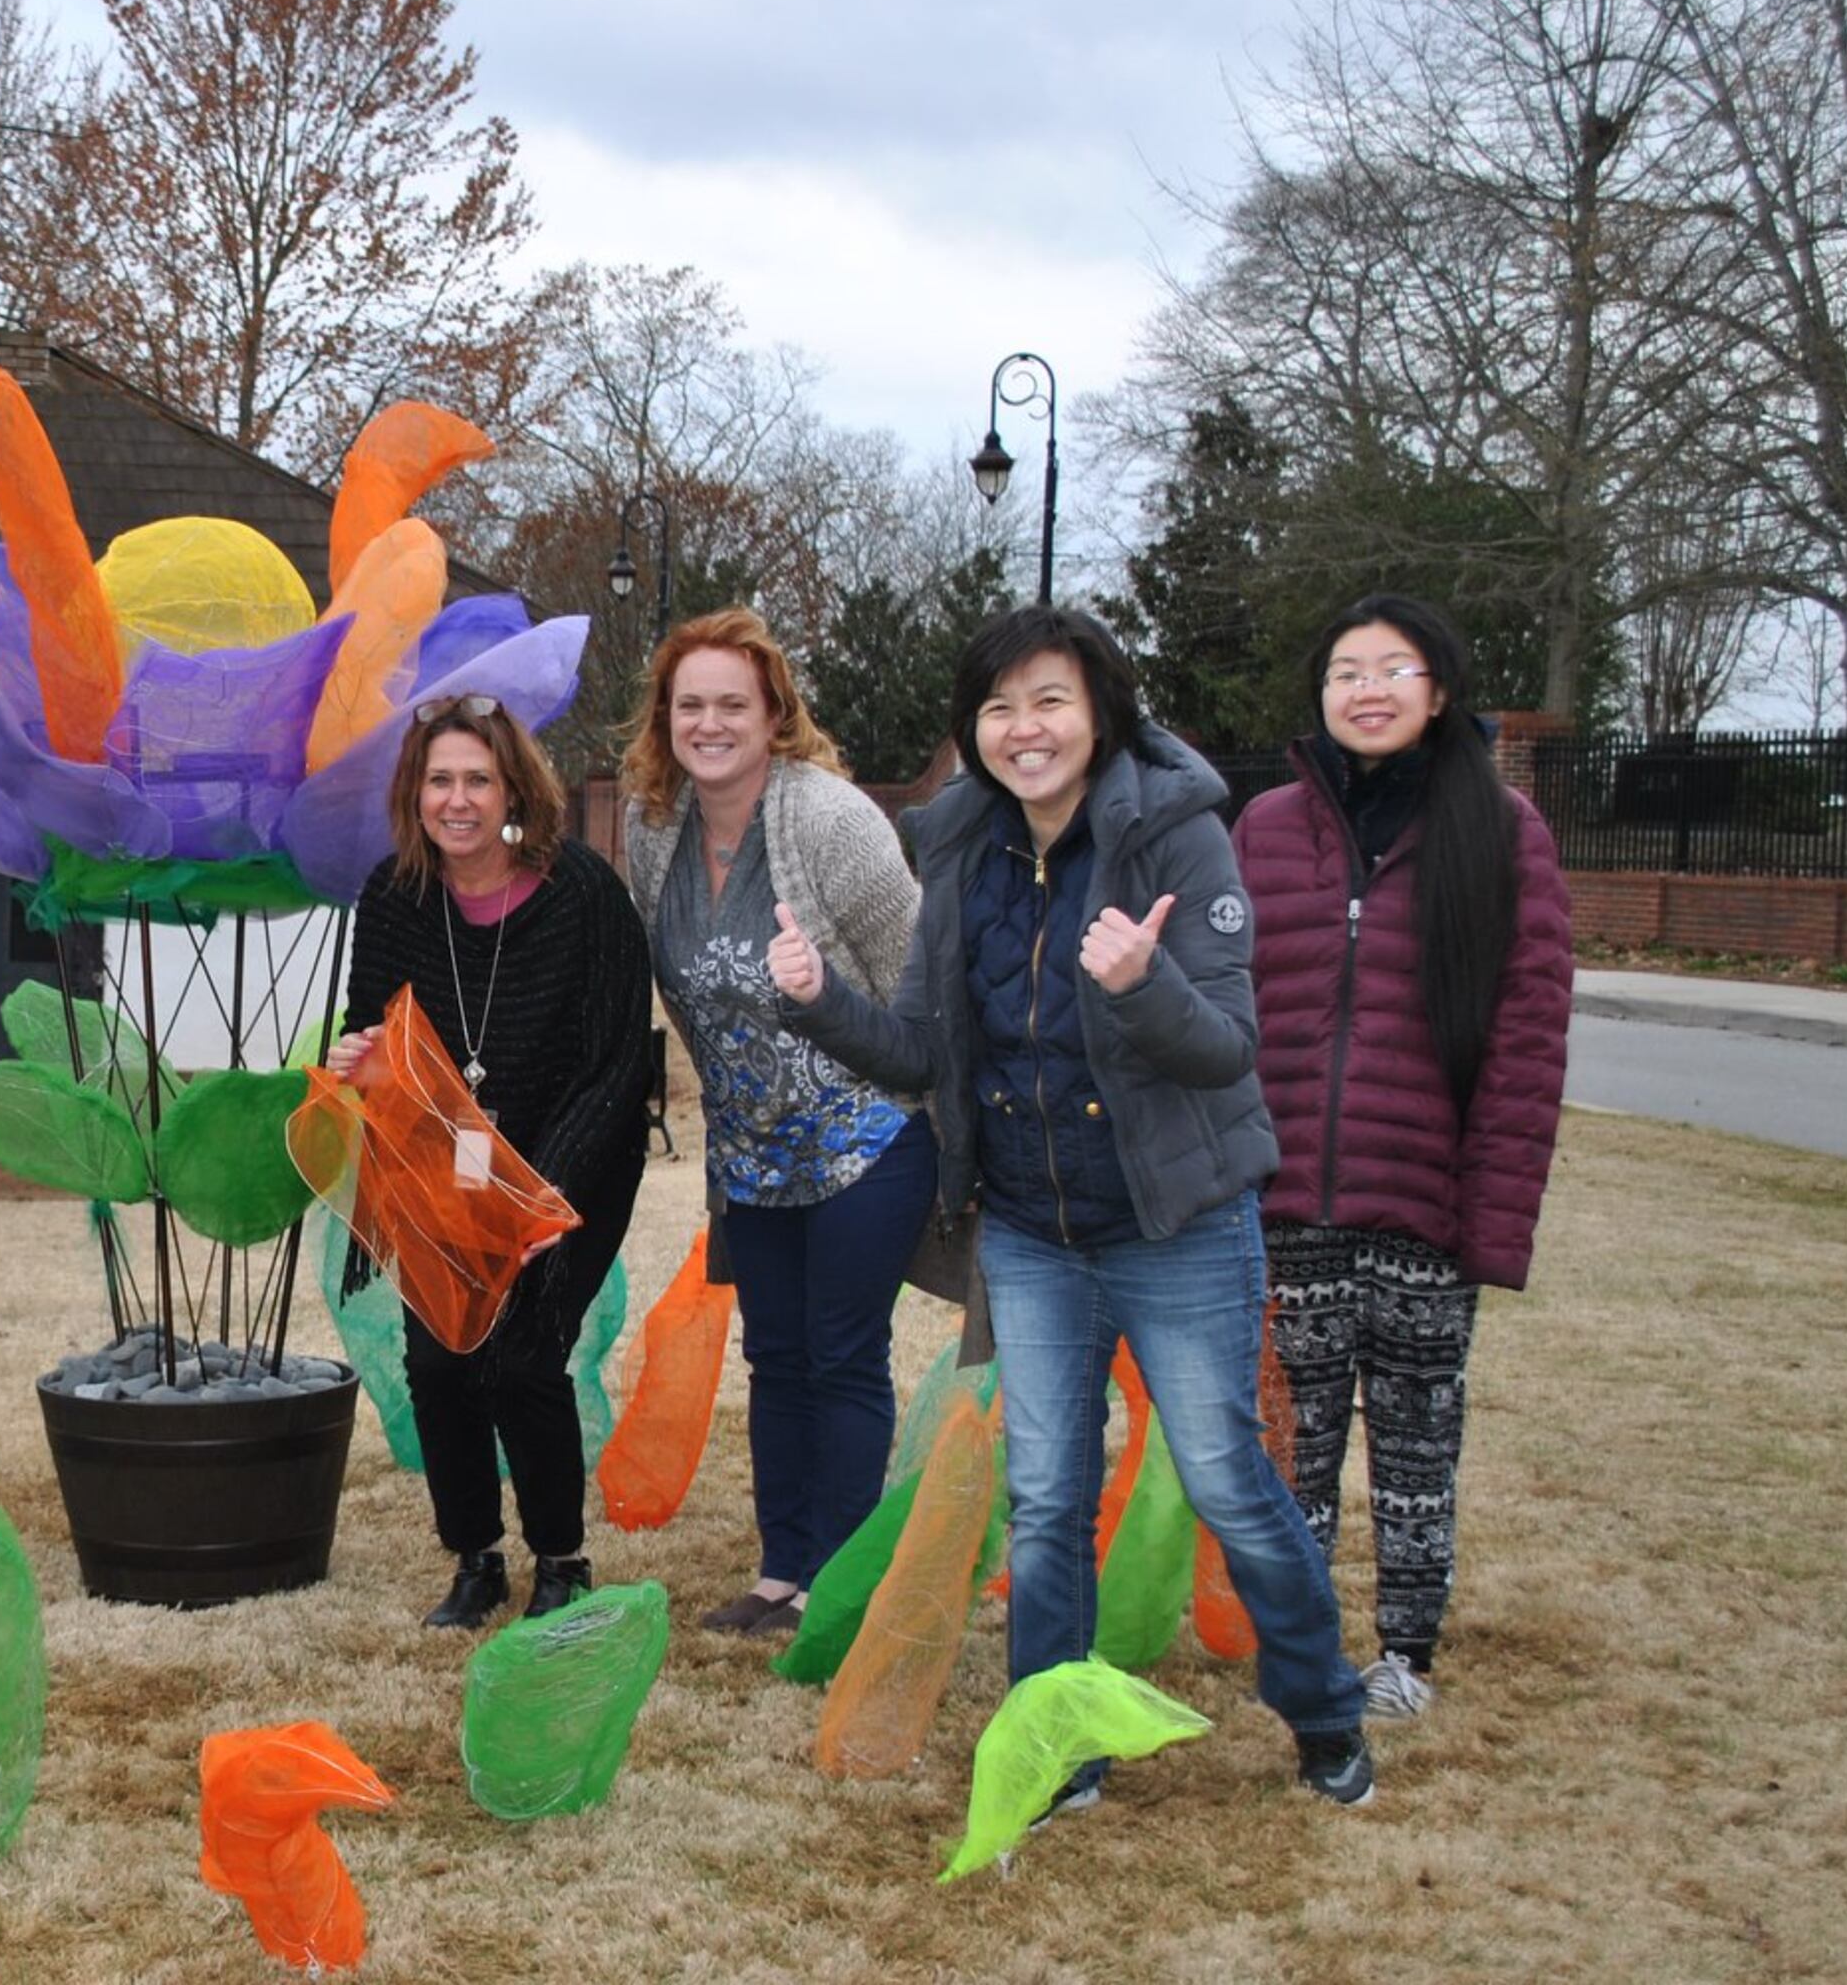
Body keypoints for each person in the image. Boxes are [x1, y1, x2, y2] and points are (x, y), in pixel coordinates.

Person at [771, 604, 1375, 1810]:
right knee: (1046, 1497)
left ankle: (1323, 1710)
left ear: (1101, 710)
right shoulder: (959, 854)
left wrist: (1145, 986)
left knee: (1226, 1479)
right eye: (998, 707)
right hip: (1033, 1233)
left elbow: (1228, 1051)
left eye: (1049, 699)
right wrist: (820, 1000)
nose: (1023, 727)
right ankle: (1059, 1737)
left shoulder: (1177, 839)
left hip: (1177, 1226)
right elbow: (928, 1053)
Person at [1234, 597, 1571, 1722]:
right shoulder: (1269, 828)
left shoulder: (1502, 830)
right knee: (1296, 1443)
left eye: (1394, 668)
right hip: (1287, 1202)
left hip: (1424, 1201)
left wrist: (1491, 1220)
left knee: (1419, 1441)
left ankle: (1407, 1652)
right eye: (1345, 671)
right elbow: (1231, 1007)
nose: (1367, 690)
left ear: (1439, 688)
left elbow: (1527, 1042)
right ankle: (1307, 1647)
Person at [619, 610, 935, 1637]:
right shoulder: (651, 824)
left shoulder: (830, 822)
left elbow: (916, 984)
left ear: (773, 715)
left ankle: (839, 1588)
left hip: (864, 1140)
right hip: (752, 1154)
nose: (710, 724)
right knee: (777, 1356)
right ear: (664, 719)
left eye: (732, 705)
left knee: (842, 1355)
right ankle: (781, 1569)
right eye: (690, 705)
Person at [326, 694, 654, 1630]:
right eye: (440, 781)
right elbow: (374, 1028)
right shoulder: (394, 897)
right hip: (446, 1172)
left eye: (478, 778)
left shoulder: (585, 894)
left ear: (513, 786)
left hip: (568, 1170)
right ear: (415, 793)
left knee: (520, 1356)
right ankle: (476, 1557)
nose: (458, 800)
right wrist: (358, 1059)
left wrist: (534, 1197)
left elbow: (616, 1066)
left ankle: (562, 1558)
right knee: (438, 1361)